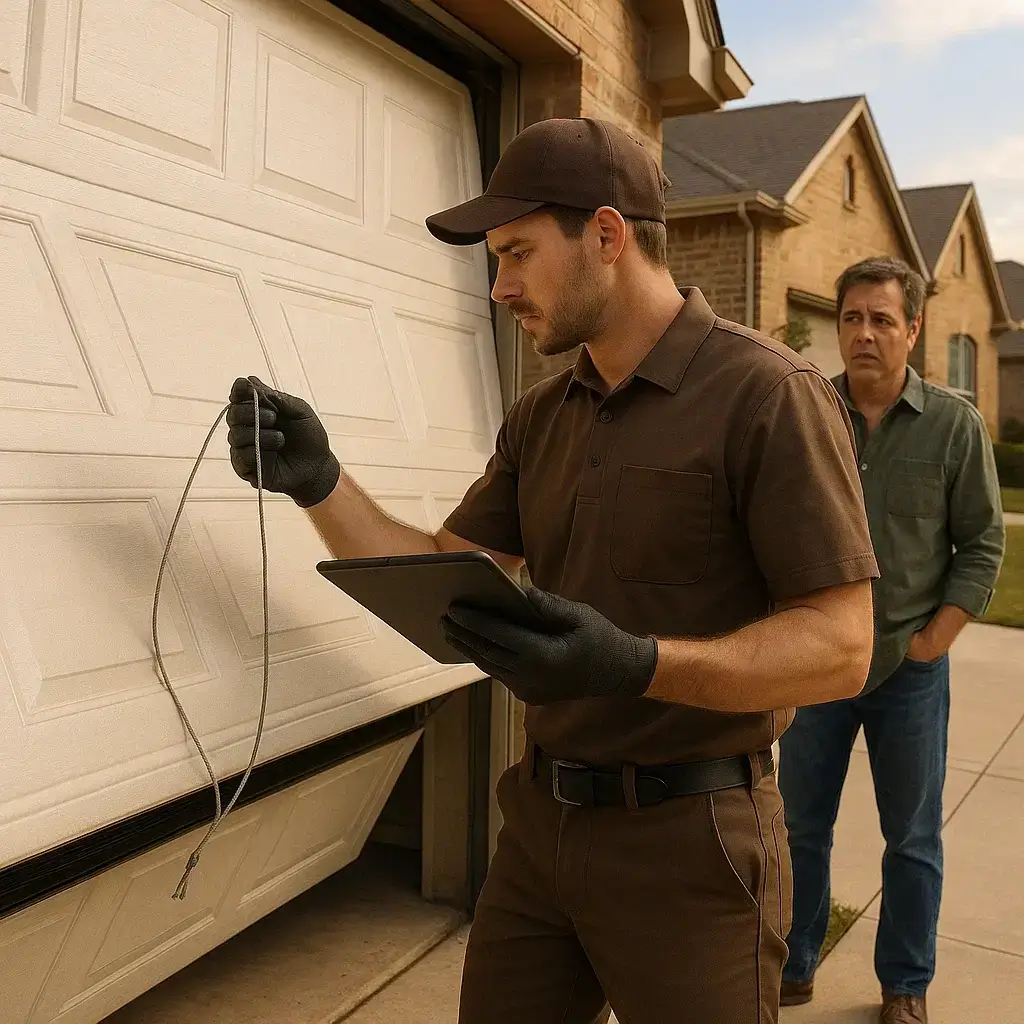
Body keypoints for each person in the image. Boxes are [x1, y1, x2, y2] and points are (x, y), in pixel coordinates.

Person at [226, 117, 880, 1024]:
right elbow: (445, 575)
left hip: (690, 845)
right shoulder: (542, 416)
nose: (500, 287)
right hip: (540, 830)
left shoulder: (766, 393)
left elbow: (841, 646)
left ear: (607, 237)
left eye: (518, 253)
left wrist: (637, 663)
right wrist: (320, 484)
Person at [778, 257, 1006, 1024]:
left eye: (882, 319)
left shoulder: (953, 425)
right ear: (836, 327)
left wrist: (933, 643)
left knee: (910, 837)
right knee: (798, 825)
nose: (864, 333)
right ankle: (795, 960)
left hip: (907, 669)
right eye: (851, 318)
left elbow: (980, 544)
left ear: (913, 329)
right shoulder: (806, 415)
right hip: (814, 668)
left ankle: (905, 984)